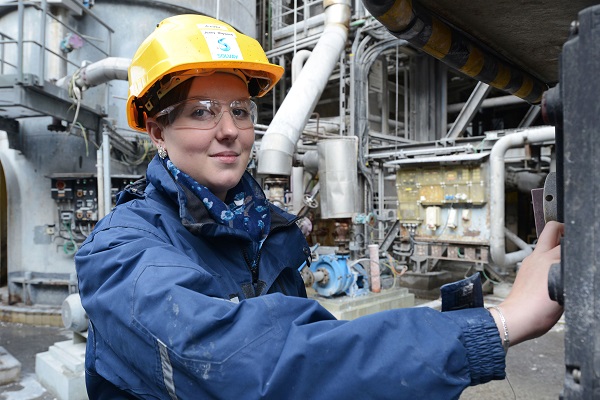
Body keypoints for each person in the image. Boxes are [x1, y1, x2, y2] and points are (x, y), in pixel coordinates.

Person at [75, 14, 564, 399]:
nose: (229, 130)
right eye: (202, 111)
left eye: (241, 110)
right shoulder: (122, 252)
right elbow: (251, 368)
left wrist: (463, 312)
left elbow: (315, 345)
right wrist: (499, 324)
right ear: (157, 131)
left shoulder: (262, 230)